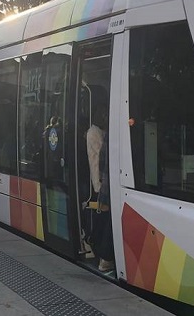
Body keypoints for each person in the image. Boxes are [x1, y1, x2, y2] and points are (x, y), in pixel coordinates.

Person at [86, 108, 115, 272]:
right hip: (107, 185)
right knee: (108, 220)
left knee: (106, 219)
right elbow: (97, 160)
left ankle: (104, 254)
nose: (104, 116)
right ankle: (105, 257)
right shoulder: (97, 133)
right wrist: (98, 185)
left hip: (106, 184)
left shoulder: (104, 133)